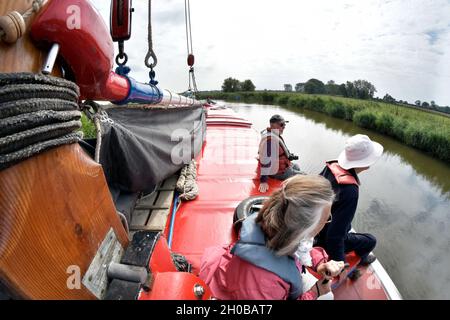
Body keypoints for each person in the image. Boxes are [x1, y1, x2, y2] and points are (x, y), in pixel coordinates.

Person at [199, 175, 346, 300]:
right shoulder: (263, 284)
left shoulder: (279, 223)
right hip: (258, 287)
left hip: (274, 275)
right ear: (305, 228)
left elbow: (300, 250)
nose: (327, 222)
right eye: (326, 219)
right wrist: (315, 292)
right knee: (327, 297)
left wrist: (319, 264)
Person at [315, 134, 383, 269]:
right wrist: (340, 263)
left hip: (315, 225)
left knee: (347, 226)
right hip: (324, 237)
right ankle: (362, 258)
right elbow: (335, 236)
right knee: (370, 241)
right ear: (366, 163)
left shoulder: (332, 166)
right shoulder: (350, 190)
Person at [258, 114, 304, 193]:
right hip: (278, 172)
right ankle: (293, 187)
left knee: (296, 166)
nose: (284, 127)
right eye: (281, 125)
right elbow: (266, 161)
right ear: (273, 125)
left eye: (284, 125)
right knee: (304, 176)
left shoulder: (274, 134)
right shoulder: (271, 141)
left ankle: (292, 184)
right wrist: (263, 181)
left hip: (282, 165)